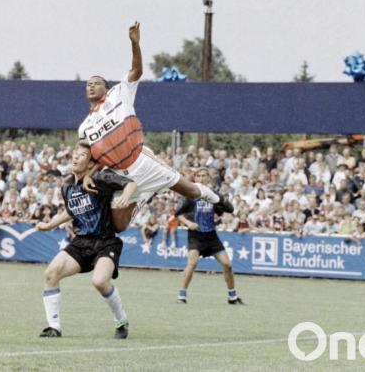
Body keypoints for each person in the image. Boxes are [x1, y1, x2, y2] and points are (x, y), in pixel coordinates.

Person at [79, 22, 226, 230]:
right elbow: (93, 159)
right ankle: (144, 195)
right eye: (88, 84)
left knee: (191, 191)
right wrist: (87, 174)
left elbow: (137, 70)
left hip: (142, 161)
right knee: (119, 227)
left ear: (106, 87)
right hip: (121, 176)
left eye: (96, 82)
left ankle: (218, 200)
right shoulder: (85, 127)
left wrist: (135, 44)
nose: (91, 85)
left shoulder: (120, 93)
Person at [36, 143, 137, 339]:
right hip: (81, 242)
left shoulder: (101, 178)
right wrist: (49, 225)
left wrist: (125, 196)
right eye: (74, 153)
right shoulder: (67, 186)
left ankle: (121, 321)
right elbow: (70, 211)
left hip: (105, 241)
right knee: (51, 273)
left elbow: (131, 183)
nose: (75, 157)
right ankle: (54, 327)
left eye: (82, 155)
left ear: (91, 162)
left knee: (99, 282)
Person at [175, 168, 243, 305]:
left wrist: (224, 215)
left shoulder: (213, 195)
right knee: (192, 263)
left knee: (227, 265)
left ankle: (232, 297)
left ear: (208, 178)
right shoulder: (189, 194)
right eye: (198, 176)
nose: (201, 178)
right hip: (195, 235)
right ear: (195, 178)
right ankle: (181, 295)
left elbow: (223, 211)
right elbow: (178, 214)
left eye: (204, 175)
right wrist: (189, 223)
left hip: (211, 236)